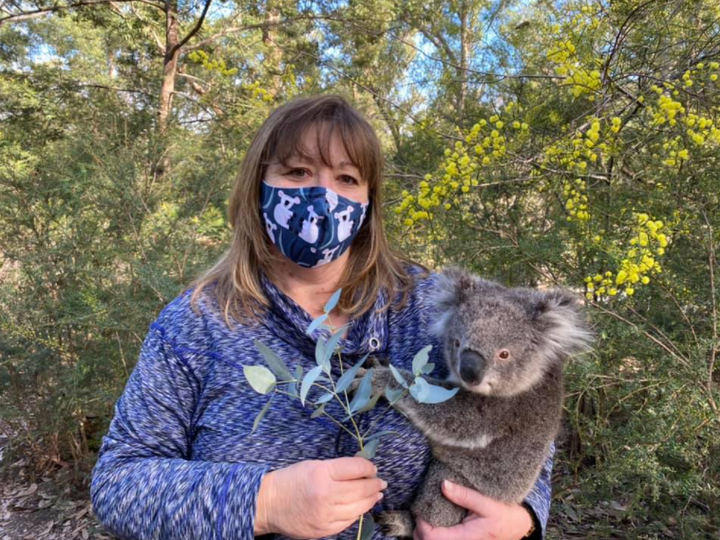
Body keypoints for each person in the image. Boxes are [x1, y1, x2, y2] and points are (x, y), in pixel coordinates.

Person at [90, 94, 553, 540]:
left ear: (369, 200)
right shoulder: (196, 324)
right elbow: (118, 485)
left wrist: (522, 520)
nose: (322, 195)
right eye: (297, 171)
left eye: (347, 178)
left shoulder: (433, 305)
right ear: (258, 184)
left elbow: (528, 422)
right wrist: (263, 503)